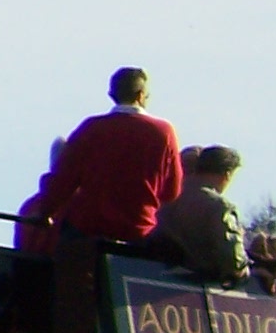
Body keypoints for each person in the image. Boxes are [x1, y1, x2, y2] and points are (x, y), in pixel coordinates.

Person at [45, 66, 184, 245]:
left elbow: (64, 178)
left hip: (88, 226)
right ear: (141, 95)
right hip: (138, 228)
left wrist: (46, 212)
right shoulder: (163, 132)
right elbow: (171, 191)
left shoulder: (91, 128)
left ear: (111, 95)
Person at [155, 146, 250, 283]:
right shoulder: (220, 206)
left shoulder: (164, 195)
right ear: (227, 174)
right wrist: (244, 269)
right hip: (193, 288)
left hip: (149, 276)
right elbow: (233, 260)